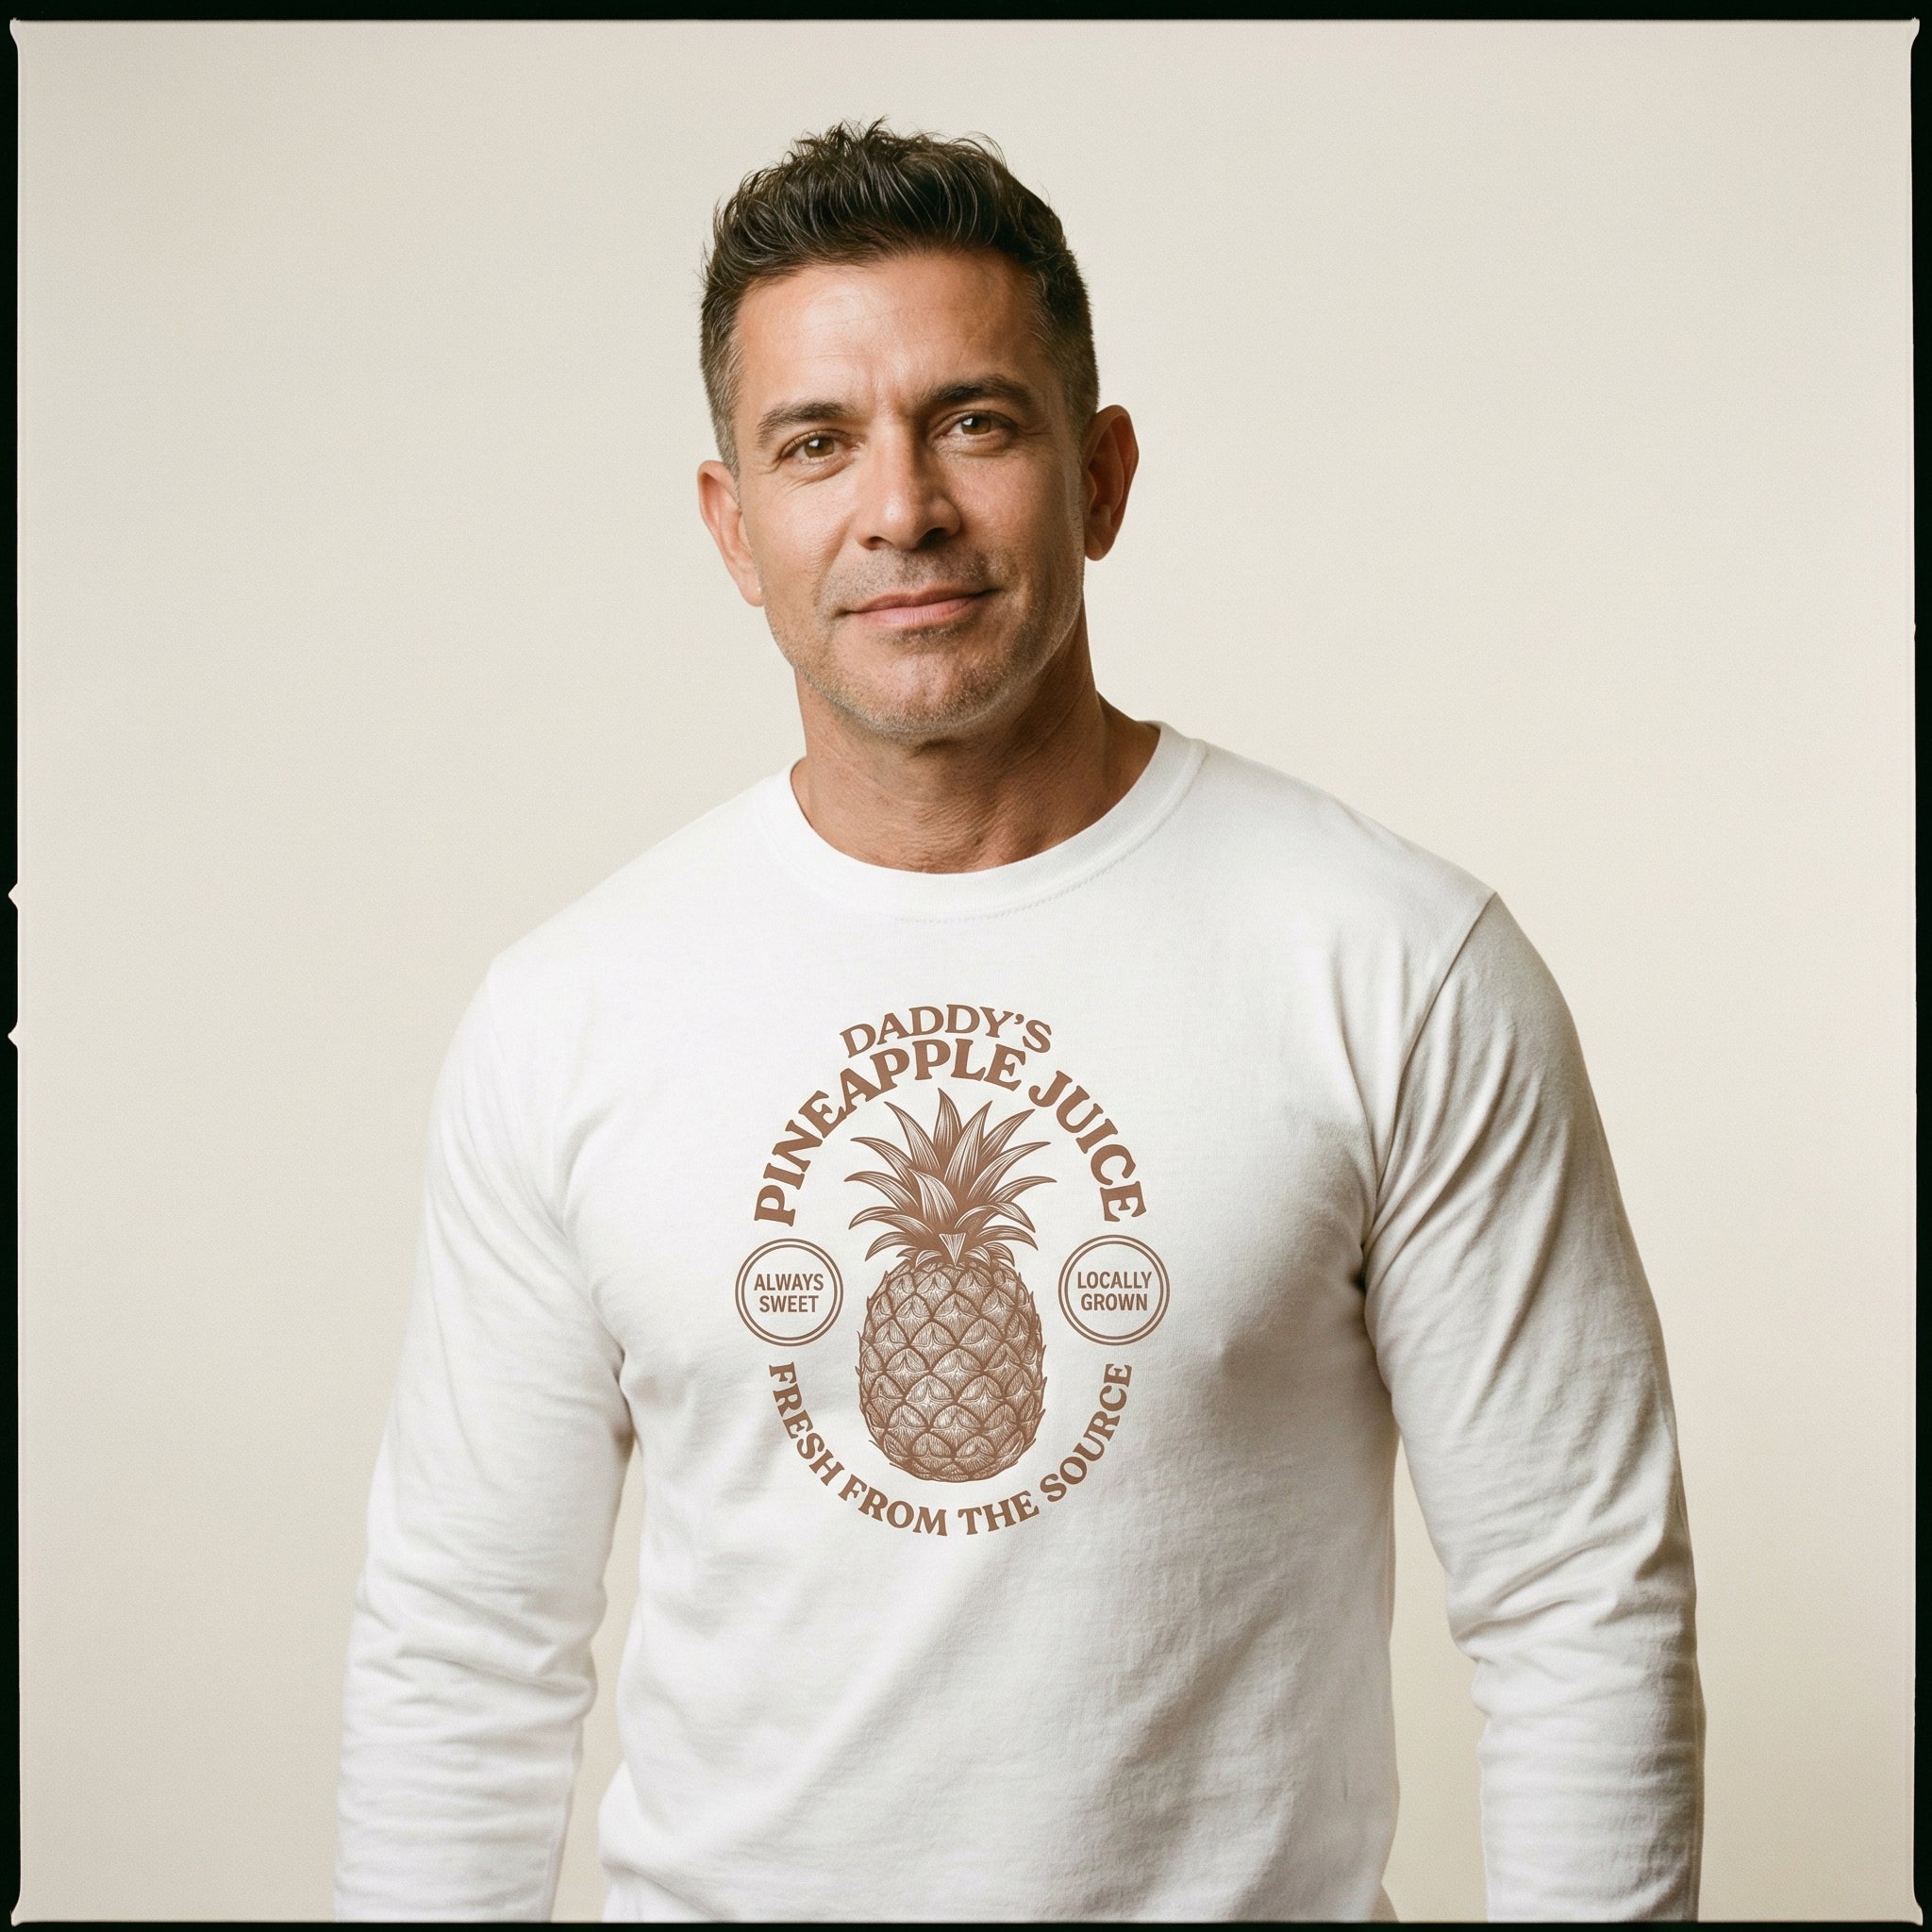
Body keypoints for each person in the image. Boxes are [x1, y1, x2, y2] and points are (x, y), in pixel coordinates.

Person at [334, 120, 1703, 1923]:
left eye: (973, 420)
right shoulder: (572, 1013)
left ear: (1103, 476)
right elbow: (466, 1647)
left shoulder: (1393, 960)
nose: (899, 506)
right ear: (734, 527)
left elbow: (1577, 1601)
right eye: (815, 445)